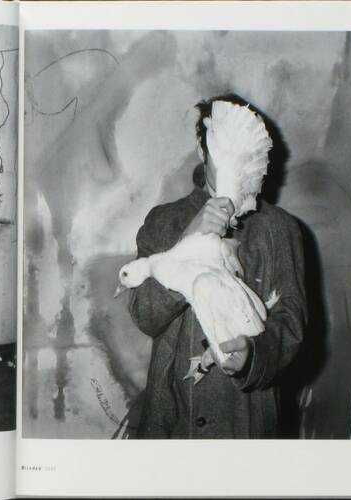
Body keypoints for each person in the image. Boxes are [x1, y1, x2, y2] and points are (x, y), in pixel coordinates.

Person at [128, 94, 306, 438]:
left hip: (246, 422)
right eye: (220, 153)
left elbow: (292, 323)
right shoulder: (162, 221)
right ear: (202, 149)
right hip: (171, 424)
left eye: (240, 155)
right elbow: (144, 316)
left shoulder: (280, 229)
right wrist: (188, 241)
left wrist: (255, 355)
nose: (229, 165)